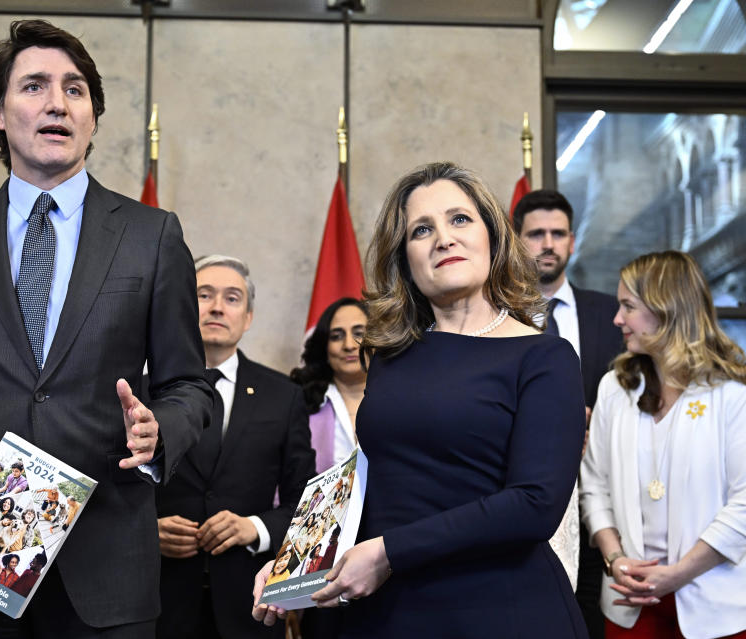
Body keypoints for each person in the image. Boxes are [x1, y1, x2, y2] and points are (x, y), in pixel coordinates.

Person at [0, 19, 212, 638]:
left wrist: (160, 429)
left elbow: (190, 385)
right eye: (34, 86)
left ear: (91, 117)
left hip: (105, 571)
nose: (58, 102)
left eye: (75, 89)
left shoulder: (152, 236)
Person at [253, 162, 588, 636]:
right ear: (405, 258)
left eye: (459, 219)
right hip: (388, 611)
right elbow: (369, 477)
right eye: (422, 229)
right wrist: (296, 565)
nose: (443, 239)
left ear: (492, 237)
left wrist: (389, 551)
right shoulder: (391, 357)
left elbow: (534, 505)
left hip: (498, 609)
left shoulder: (544, 356)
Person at [579, 250, 746, 639]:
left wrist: (678, 574)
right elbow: (593, 487)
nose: (617, 319)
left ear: (667, 309)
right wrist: (615, 559)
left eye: (628, 307)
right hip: (629, 605)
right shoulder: (615, 389)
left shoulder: (731, 394)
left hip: (718, 608)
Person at [155, 255, 315, 639]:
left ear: (248, 317)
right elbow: (111, 493)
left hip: (249, 605)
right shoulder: (143, 391)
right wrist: (145, 532)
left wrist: (255, 527)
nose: (215, 307)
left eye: (232, 298)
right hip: (157, 601)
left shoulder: (285, 396)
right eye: (204, 295)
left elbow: (306, 501)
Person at [514, 189, 623, 635]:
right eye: (536, 234)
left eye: (558, 234)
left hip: (607, 491)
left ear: (572, 242)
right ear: (517, 242)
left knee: (595, 616)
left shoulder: (612, 314)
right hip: (527, 495)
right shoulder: (495, 316)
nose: (547, 244)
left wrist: (602, 421)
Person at [291, 298, 369, 474]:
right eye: (336, 336)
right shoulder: (299, 404)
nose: (349, 345)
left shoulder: (402, 400)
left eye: (358, 333)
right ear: (324, 348)